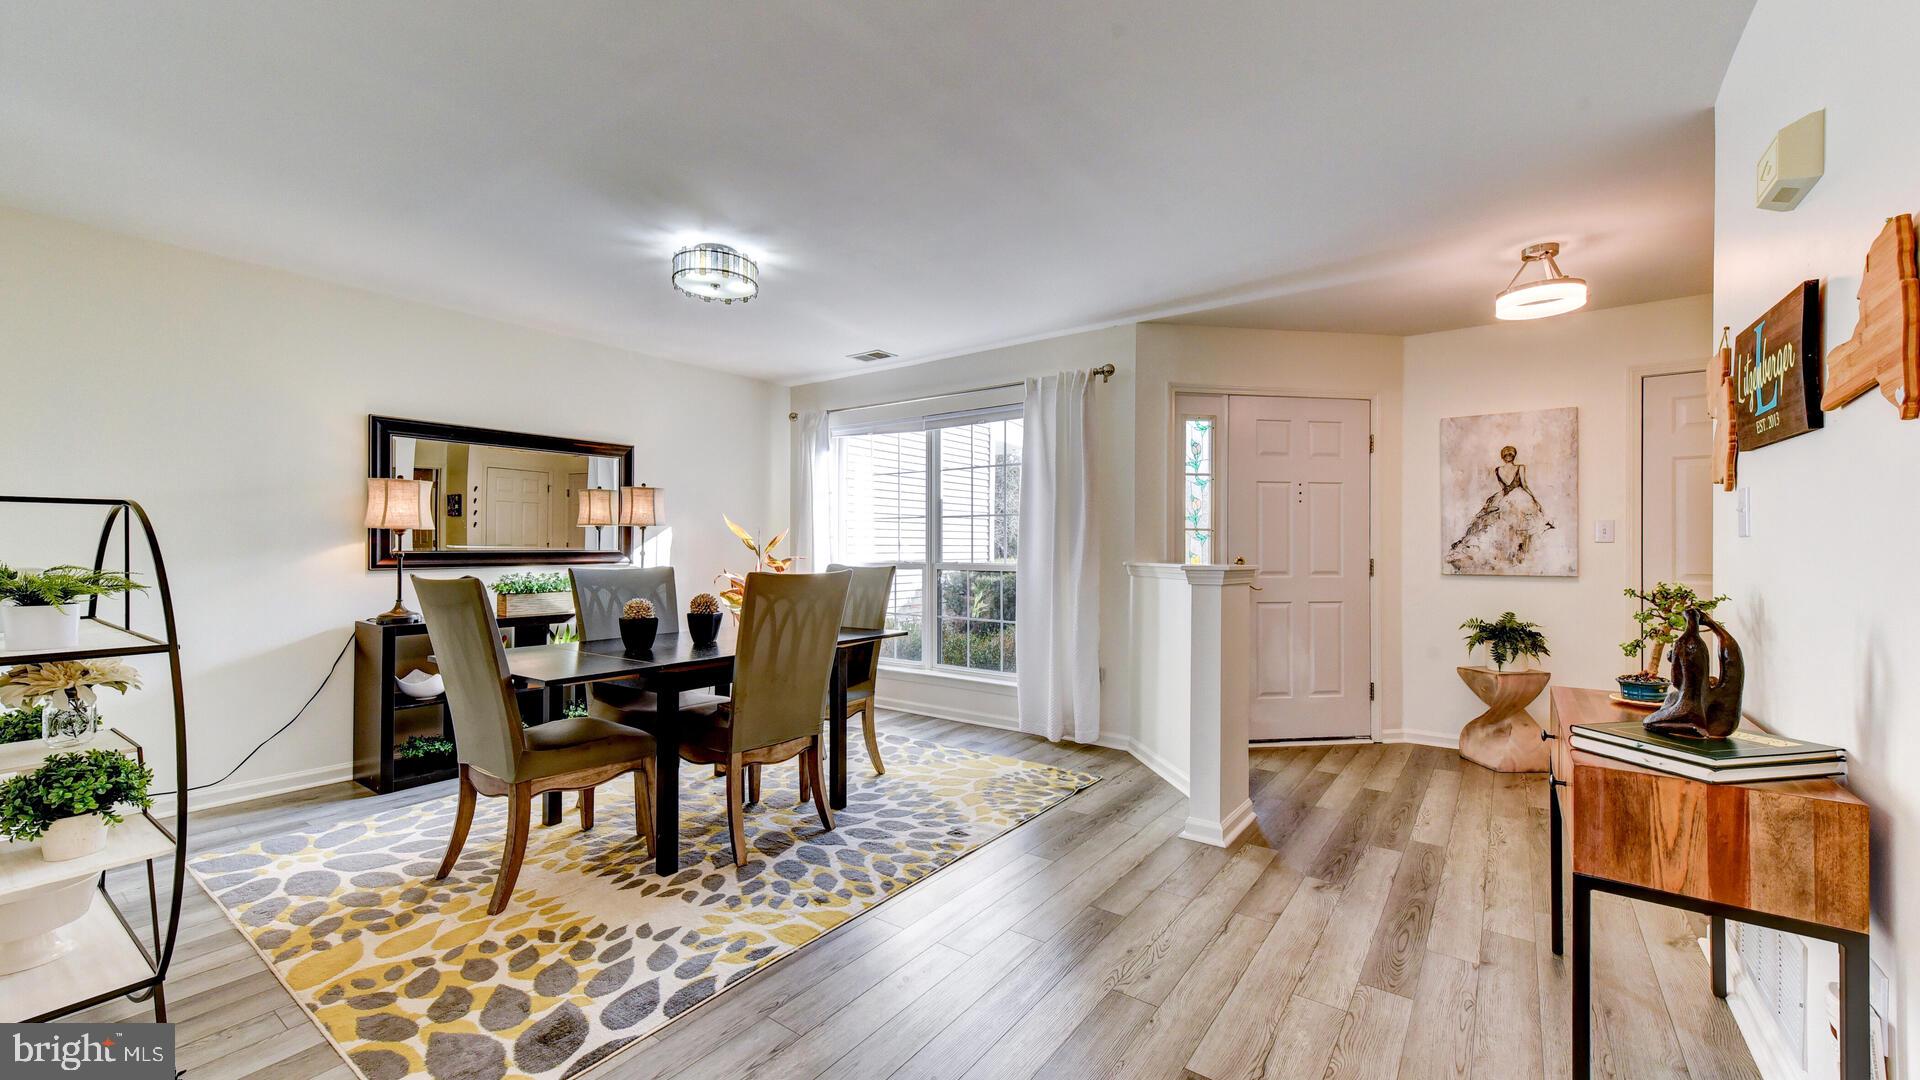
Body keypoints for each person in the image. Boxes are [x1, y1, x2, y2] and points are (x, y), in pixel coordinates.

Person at [1445, 444, 1555, 572]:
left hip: (1503, 498)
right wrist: (1535, 499)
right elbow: (1524, 485)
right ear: (1513, 456)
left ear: (1503, 457)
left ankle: (1510, 556)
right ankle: (1517, 556)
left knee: (1504, 526)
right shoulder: (1520, 468)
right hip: (1519, 497)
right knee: (1522, 526)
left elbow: (1504, 488)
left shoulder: (1498, 470)